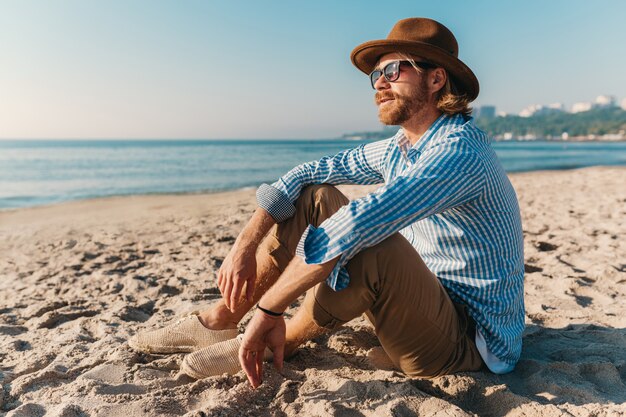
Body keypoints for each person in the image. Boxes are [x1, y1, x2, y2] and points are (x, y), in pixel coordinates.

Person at [128, 17, 525, 389]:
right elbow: (308, 172)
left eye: (393, 71)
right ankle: (219, 320)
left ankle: (275, 340)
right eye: (375, 75)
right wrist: (244, 245)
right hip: (425, 305)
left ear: (436, 78)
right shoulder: (402, 147)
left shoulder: (459, 151)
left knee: (372, 241)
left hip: (469, 342)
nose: (379, 85)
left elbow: (356, 224)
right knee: (315, 196)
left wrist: (270, 309)